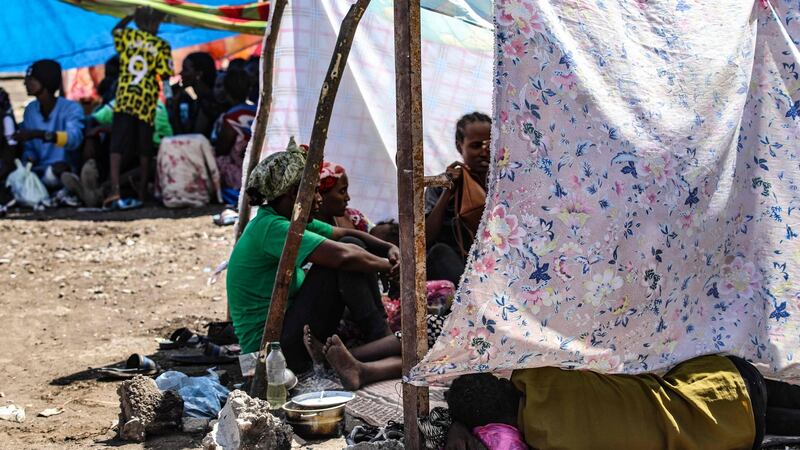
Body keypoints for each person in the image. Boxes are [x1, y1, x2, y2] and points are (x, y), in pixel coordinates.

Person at [226, 138, 398, 372]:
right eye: (314, 191)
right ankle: (379, 337)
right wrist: (391, 267)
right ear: (290, 195)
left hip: (286, 336)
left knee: (352, 242)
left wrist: (387, 249)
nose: (318, 199)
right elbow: (343, 257)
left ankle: (378, 336)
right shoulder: (271, 228)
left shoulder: (286, 219)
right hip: (269, 353)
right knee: (342, 258)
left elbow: (344, 233)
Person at [444, 355, 800, 450]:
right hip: (722, 382)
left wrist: (460, 426)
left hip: (730, 435)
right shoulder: (540, 375)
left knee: (773, 420)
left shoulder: (546, 441)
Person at [105, 6, 173, 208]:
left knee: (117, 145)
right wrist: (169, 99)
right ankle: (143, 190)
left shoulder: (128, 37)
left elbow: (115, 31)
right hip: (145, 101)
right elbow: (166, 75)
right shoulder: (161, 45)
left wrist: (128, 17)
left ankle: (114, 189)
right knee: (144, 148)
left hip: (125, 98)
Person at [425, 112, 491, 287]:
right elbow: (424, 238)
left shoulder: (506, 184)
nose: (484, 153)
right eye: (475, 146)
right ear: (459, 146)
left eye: (489, 146)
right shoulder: (441, 184)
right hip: (454, 267)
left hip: (492, 266)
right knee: (439, 252)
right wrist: (448, 191)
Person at [13, 59, 84, 188]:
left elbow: (74, 139)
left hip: (64, 169)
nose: (25, 83)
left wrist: (40, 135)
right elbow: (30, 149)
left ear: (45, 82)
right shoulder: (30, 110)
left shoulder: (71, 109)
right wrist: (28, 161)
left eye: (31, 79)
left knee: (61, 172)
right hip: (40, 171)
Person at [214, 69, 255, 191]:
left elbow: (221, 149)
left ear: (226, 91)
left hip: (242, 172)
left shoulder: (233, 116)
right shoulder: (258, 110)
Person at [170, 52, 221, 138]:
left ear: (199, 74)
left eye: (185, 69)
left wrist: (174, 110)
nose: (181, 74)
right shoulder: (199, 100)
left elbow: (193, 138)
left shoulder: (206, 103)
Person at [314, 161, 373, 231]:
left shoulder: (355, 218)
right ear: (320, 193)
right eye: (342, 191)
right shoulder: (304, 228)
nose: (348, 198)